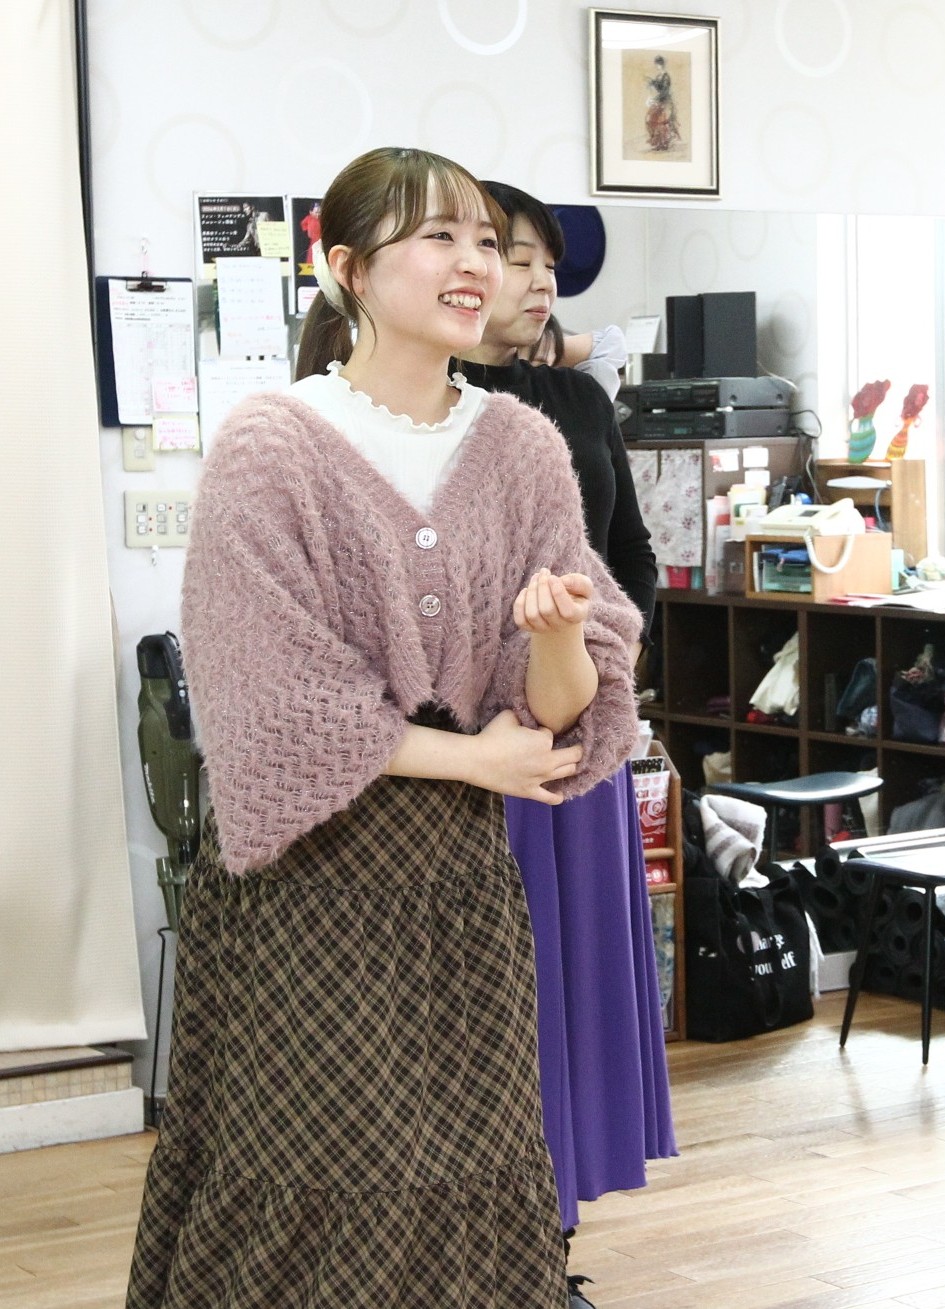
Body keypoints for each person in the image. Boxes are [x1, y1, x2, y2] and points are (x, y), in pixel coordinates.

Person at [125, 147, 643, 1308]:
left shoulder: (523, 447)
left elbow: (564, 706)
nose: (475, 265)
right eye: (437, 237)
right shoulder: (271, 443)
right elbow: (267, 704)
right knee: (310, 1173)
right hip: (309, 882)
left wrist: (559, 633)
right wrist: (474, 758)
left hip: (457, 884)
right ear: (349, 269)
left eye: (486, 241)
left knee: (470, 1163)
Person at [459, 179, 675, 1309]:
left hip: (580, 729)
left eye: (549, 262)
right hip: (480, 747)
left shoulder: (581, 399)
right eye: (516, 256)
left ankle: (546, 1239)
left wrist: (605, 665)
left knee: (571, 992)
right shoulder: (438, 401)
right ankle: (488, 1242)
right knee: (497, 999)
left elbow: (630, 552)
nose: (539, 280)